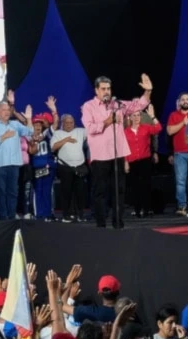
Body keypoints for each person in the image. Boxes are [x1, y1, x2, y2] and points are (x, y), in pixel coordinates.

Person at [81, 74, 153, 228]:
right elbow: (90, 128)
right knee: (100, 191)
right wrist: (107, 122)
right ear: (96, 90)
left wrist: (147, 92)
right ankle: (101, 223)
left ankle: (118, 222)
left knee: (119, 190)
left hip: (117, 153)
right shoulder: (88, 106)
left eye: (108, 88)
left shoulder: (118, 104)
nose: (106, 91)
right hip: (100, 155)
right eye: (103, 89)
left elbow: (138, 106)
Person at [0, 100, 33, 221]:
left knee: (13, 192)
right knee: (1, 192)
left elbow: (30, 132)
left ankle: (12, 216)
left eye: (8, 110)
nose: (7, 112)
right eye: (4, 110)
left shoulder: (15, 124)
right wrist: (3, 137)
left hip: (14, 164)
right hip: (0, 164)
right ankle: (3, 217)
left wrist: (28, 119)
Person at [124, 105, 161, 218]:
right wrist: (125, 162)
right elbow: (124, 148)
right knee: (135, 187)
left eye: (138, 115)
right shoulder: (125, 132)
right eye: (134, 115)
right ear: (130, 117)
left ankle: (146, 209)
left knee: (146, 185)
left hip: (145, 160)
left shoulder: (146, 127)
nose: (136, 117)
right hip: (132, 162)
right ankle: (137, 209)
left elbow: (158, 128)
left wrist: (152, 116)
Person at [51, 113, 88, 223]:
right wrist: (65, 140)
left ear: (74, 123)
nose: (69, 125)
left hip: (79, 166)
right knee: (66, 192)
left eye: (71, 122)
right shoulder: (58, 133)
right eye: (66, 122)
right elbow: (53, 148)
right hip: (65, 166)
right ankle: (66, 215)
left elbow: (92, 130)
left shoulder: (80, 131)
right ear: (62, 123)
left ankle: (80, 215)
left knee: (80, 192)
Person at [166, 92, 188, 215]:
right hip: (180, 154)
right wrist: (183, 122)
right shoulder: (173, 115)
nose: (185, 101)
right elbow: (169, 131)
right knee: (181, 181)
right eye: (182, 99)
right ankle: (182, 206)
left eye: (187, 99)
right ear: (179, 102)